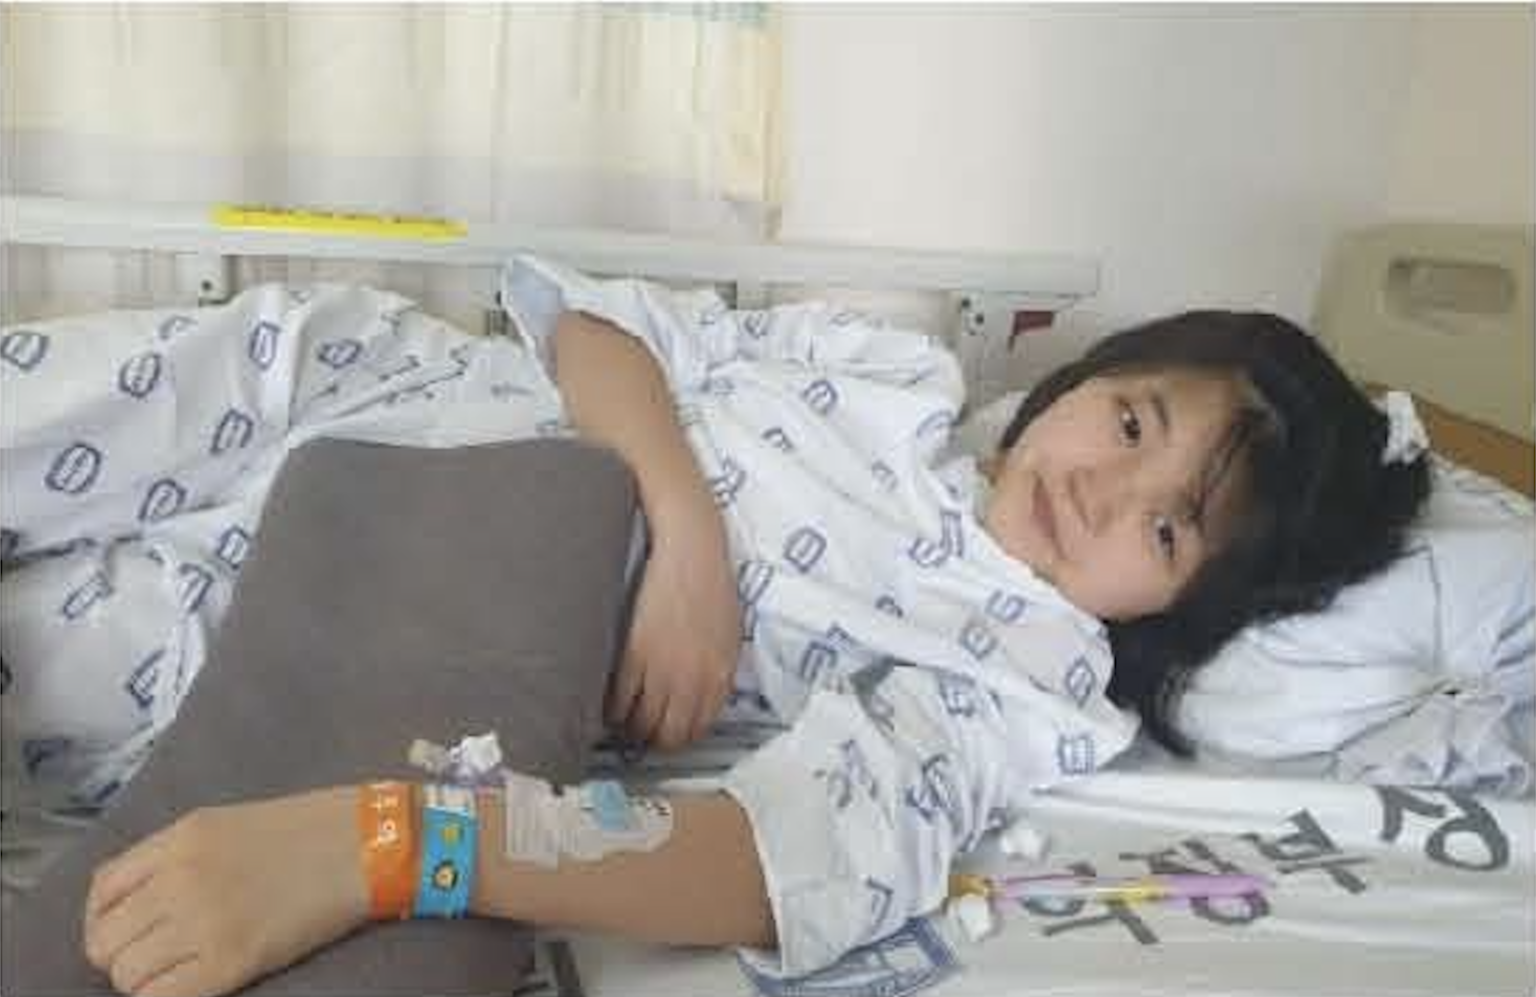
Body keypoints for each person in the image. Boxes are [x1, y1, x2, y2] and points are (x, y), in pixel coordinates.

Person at [9, 258, 1428, 996]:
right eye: (1130, 424)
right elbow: (595, 332)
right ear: (1094, 377)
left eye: (1168, 531)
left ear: (1180, 608)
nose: (1106, 492)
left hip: (388, 586)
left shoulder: (1018, 679)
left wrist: (391, 843)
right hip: (349, 387)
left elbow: (779, 861)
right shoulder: (894, 374)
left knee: (62, 669)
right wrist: (689, 542)